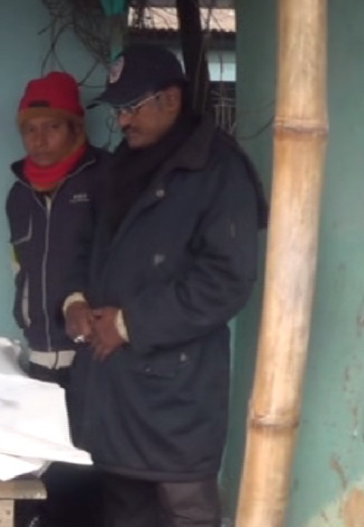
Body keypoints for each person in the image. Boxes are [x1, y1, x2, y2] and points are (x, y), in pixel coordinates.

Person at [64, 44, 268, 527]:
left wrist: (130, 324)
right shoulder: (121, 165)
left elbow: (227, 279)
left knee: (185, 513)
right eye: (118, 110)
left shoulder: (218, 170)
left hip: (177, 396)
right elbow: (87, 244)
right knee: (124, 513)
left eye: (132, 107)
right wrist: (75, 301)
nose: (122, 121)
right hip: (113, 388)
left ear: (171, 100)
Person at [5, 70, 105, 527]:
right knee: (41, 466)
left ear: (75, 128)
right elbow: (20, 264)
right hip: (42, 354)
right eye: (30, 129)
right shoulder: (19, 194)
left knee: (87, 469)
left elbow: (119, 260)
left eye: (51, 127)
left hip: (94, 352)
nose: (39, 139)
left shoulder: (105, 179)